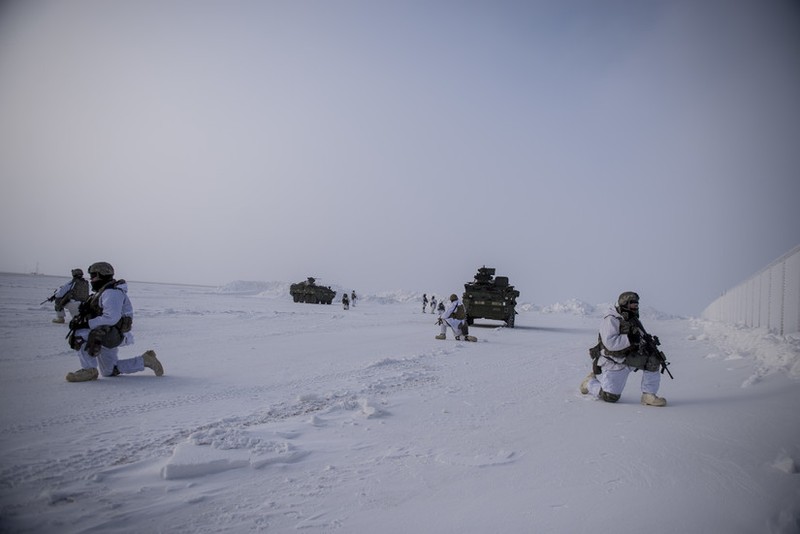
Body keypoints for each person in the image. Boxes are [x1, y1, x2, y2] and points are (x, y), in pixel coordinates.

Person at [64, 261, 163, 383]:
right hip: (105, 332)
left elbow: (111, 318)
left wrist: (85, 324)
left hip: (112, 334)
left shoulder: (112, 293)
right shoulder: (104, 292)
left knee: (79, 333)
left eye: (94, 276)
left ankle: (89, 370)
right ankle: (145, 360)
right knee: (108, 371)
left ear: (102, 275)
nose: (91, 279)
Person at [580, 291, 666, 406]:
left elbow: (638, 336)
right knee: (610, 397)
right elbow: (610, 343)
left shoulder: (632, 318)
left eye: (636, 304)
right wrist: (630, 338)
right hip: (614, 360)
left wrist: (647, 343)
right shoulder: (611, 319)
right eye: (632, 304)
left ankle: (648, 395)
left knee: (654, 359)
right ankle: (589, 383)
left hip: (630, 357)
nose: (635, 306)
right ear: (624, 303)